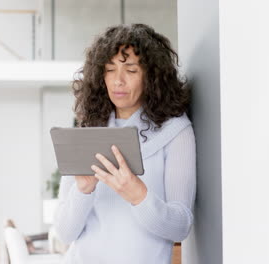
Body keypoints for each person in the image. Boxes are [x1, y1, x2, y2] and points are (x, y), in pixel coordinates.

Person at [53, 23, 196, 264]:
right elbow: (65, 233)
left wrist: (138, 195)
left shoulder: (175, 131)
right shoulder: (88, 129)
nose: (118, 81)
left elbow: (180, 227)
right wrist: (83, 190)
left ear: (151, 77)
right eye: (110, 69)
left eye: (130, 70)